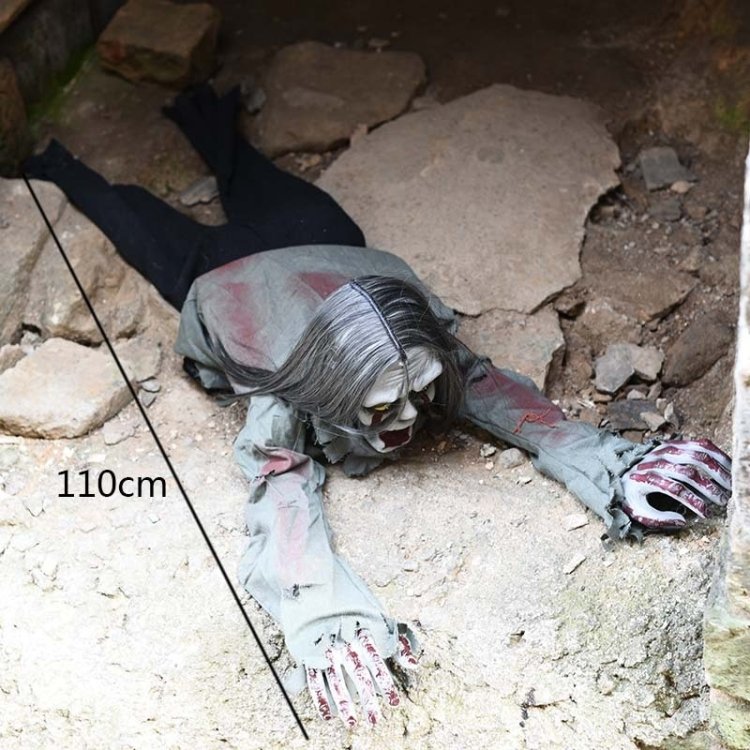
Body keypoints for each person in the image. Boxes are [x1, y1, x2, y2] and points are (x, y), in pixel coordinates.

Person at [24, 85, 732, 728]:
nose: (413, 417)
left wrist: (613, 465)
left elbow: (492, 391)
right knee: (130, 212)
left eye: (422, 392)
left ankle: (203, 110)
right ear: (334, 390)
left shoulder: (415, 343)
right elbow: (280, 485)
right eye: (383, 406)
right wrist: (323, 614)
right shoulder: (286, 384)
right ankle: (53, 161)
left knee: (244, 168)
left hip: (322, 240)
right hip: (225, 272)